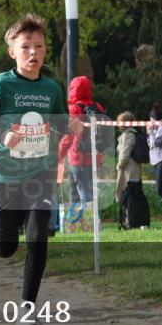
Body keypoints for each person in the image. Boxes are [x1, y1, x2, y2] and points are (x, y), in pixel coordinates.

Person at [0, 13, 74, 325]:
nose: (33, 52)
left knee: (39, 238)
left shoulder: (52, 88)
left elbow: (57, 121)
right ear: (12, 51)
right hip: (4, 173)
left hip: (39, 172)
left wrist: (71, 125)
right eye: (25, 46)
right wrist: (2, 135)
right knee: (6, 248)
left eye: (39, 46)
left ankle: (27, 308)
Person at [57, 75, 105, 219]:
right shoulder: (98, 107)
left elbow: (68, 136)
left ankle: (86, 222)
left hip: (78, 156)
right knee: (83, 188)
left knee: (82, 190)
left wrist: (59, 154)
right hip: (96, 156)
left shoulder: (75, 109)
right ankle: (80, 221)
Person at [114, 111, 143, 206]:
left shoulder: (128, 135)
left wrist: (119, 166)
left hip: (128, 171)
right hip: (130, 170)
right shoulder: (131, 134)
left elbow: (125, 154)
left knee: (127, 196)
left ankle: (129, 217)